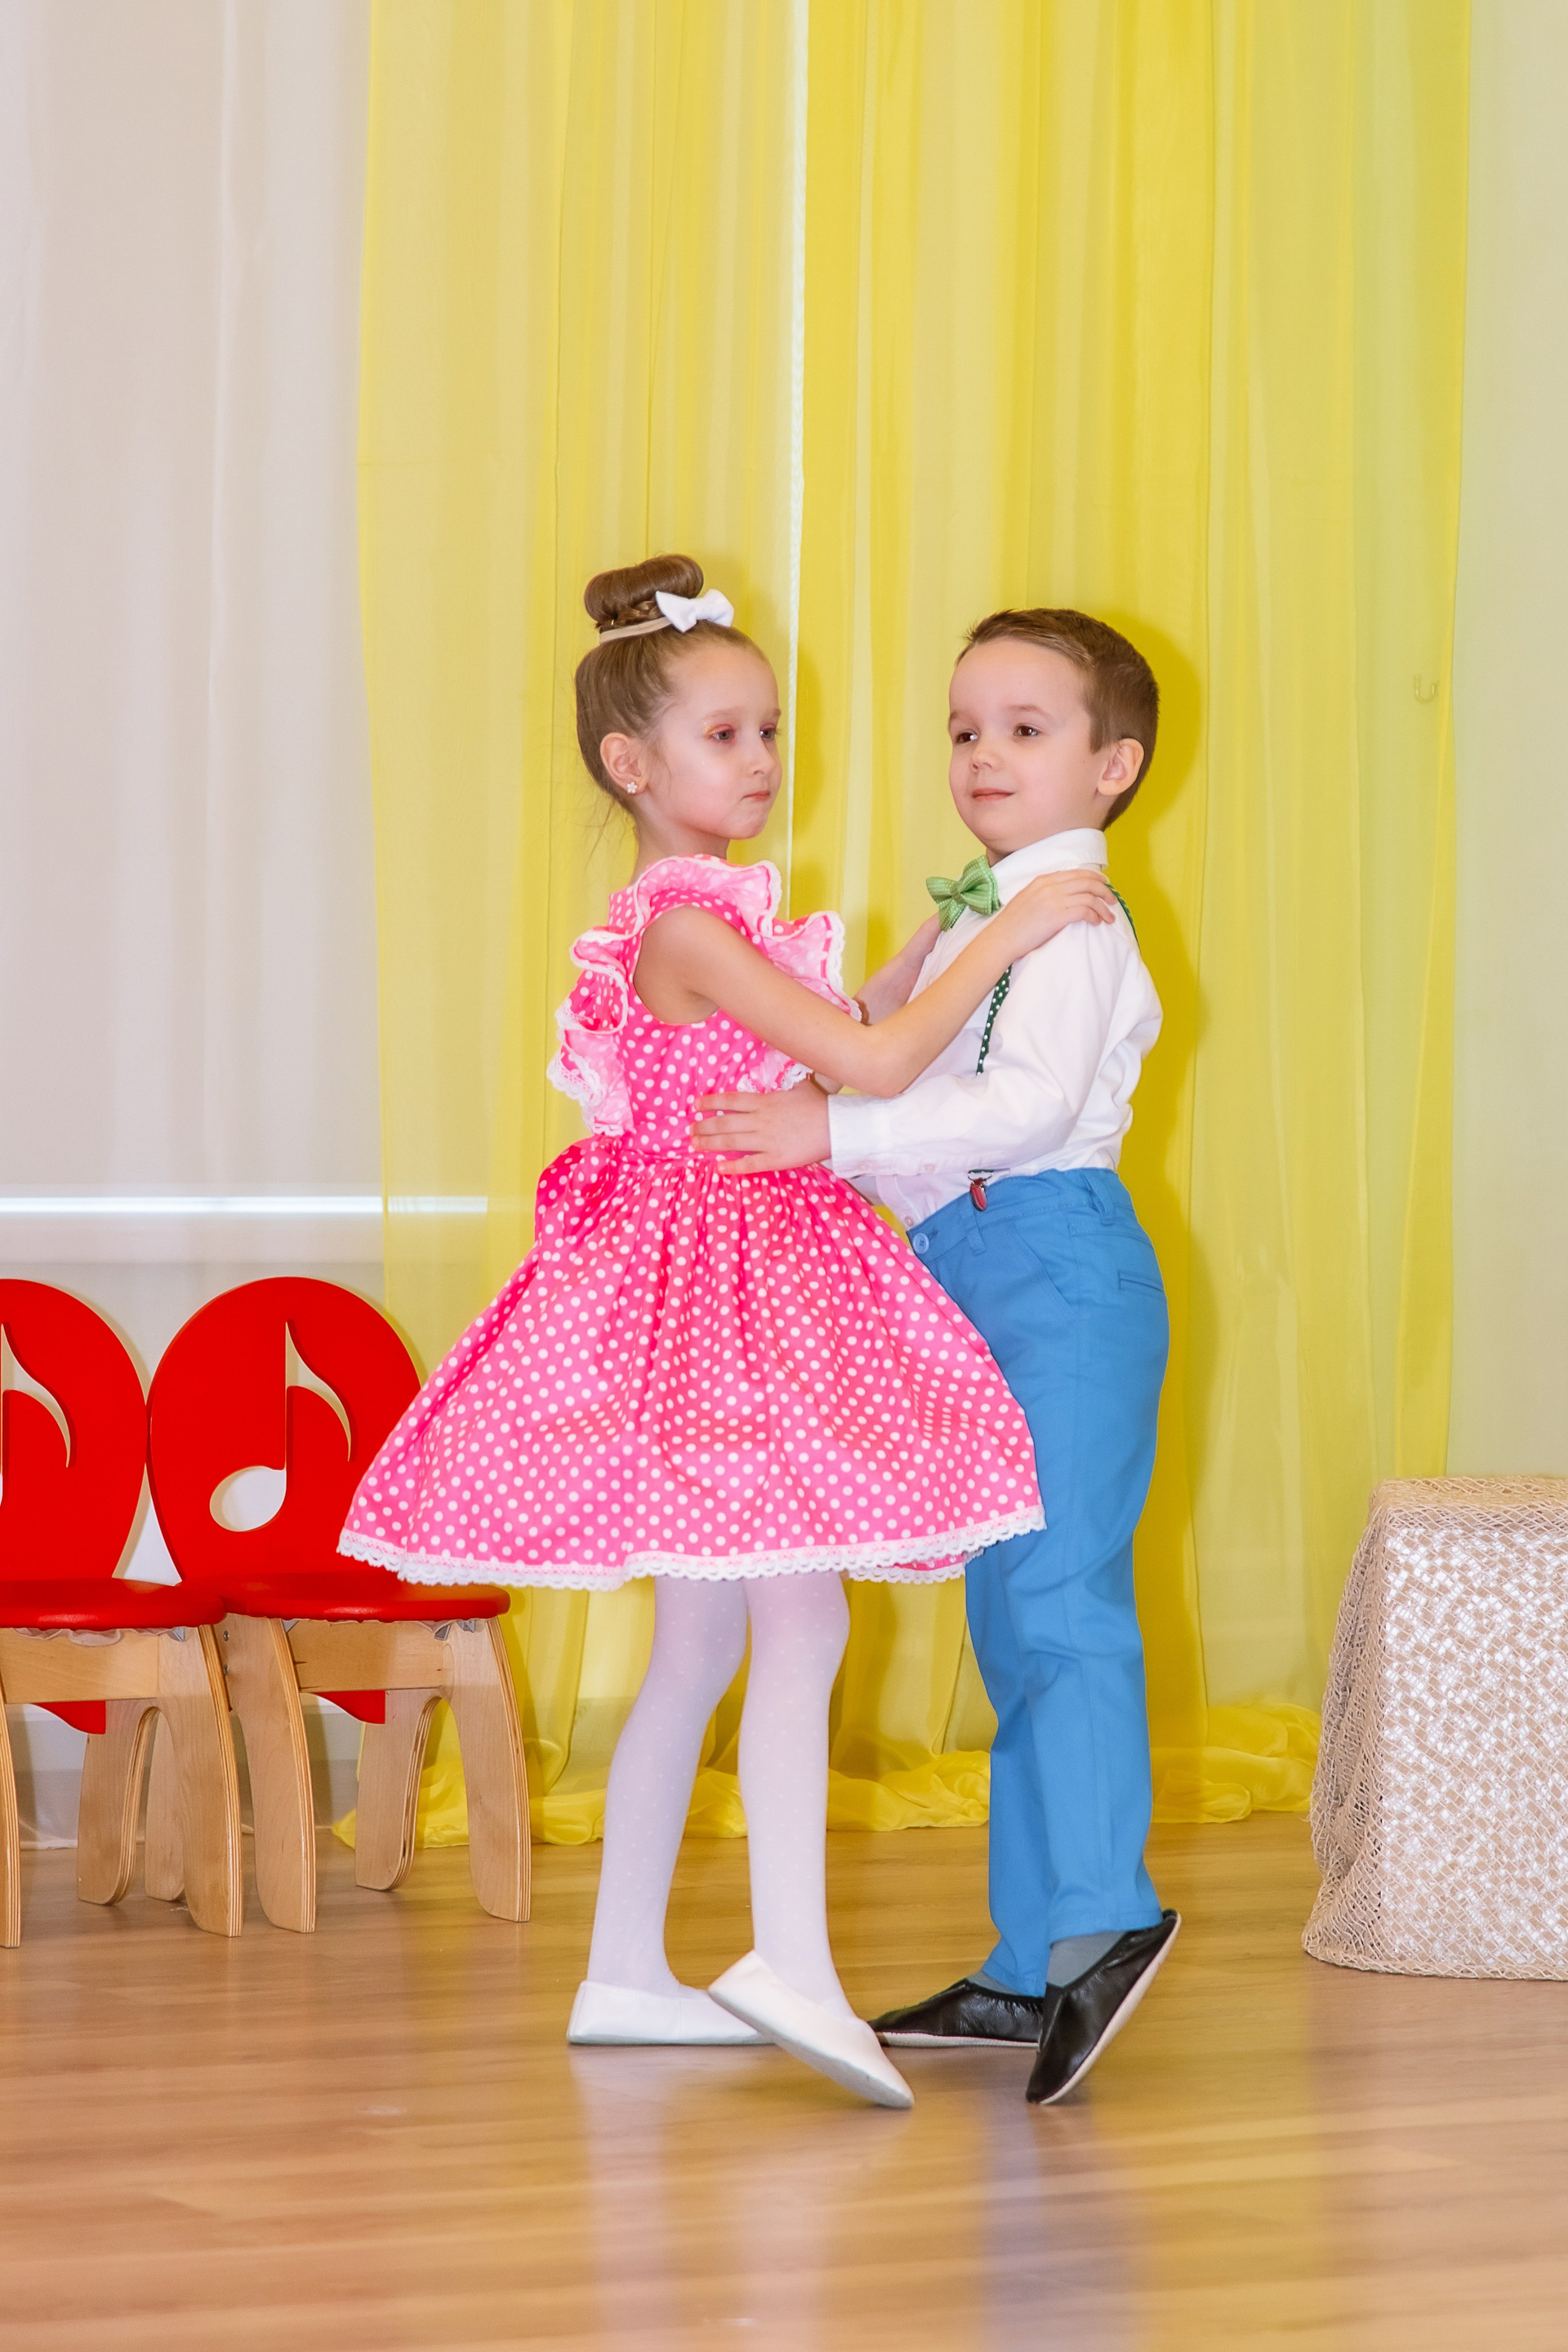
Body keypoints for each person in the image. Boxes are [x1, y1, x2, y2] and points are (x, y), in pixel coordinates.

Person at [340, 558, 1120, 2111]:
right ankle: (789, 1960)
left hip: (708, 1286)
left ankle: (626, 1968)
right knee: (804, 1625)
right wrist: (1009, 929)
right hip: (724, 1292)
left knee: (700, 1643)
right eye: (724, 736)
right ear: (632, 764)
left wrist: (931, 944)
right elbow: (875, 1068)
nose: (760, 761)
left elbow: (838, 1034)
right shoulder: (687, 923)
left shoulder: (700, 919)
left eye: (768, 731)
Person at [692, 608, 1178, 2107]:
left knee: (1061, 1601)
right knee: (1009, 1613)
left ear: (1112, 766)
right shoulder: (984, 915)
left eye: (1026, 729)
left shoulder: (1073, 918)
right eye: (966, 728)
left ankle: (1101, 1923)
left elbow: (1025, 1109)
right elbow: (905, 1073)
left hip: (1057, 1262)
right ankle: (1031, 1961)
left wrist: (835, 1134)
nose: (983, 754)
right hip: (974, 1263)